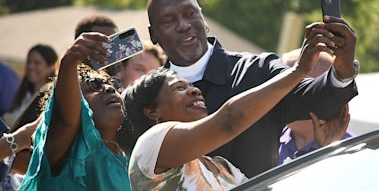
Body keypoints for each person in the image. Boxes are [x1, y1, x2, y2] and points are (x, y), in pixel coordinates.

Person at [146, 0, 358, 177]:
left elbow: (318, 101)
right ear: (153, 34)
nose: (183, 25)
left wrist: (343, 69)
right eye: (168, 20)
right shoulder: (147, 98)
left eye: (190, 14)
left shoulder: (257, 70)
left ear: (203, 19)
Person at [127, 35, 330, 190]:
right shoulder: (152, 145)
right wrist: (298, 72)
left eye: (191, 85)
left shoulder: (221, 168)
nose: (195, 90)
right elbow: (231, 120)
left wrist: (326, 150)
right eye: (179, 87)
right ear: (152, 111)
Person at [19, 33, 130, 190]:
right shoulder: (66, 149)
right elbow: (68, 119)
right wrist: (70, 60)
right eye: (94, 85)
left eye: (113, 83)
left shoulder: (132, 156)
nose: (109, 88)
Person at [279, 49, 352, 164]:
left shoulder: (353, 151)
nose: (279, 94)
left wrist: (329, 149)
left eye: (292, 86)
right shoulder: (267, 141)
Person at [3, 45, 58, 128]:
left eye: (37, 63)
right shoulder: (23, 95)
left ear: (50, 67)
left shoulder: (51, 98)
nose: (30, 67)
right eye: (29, 62)